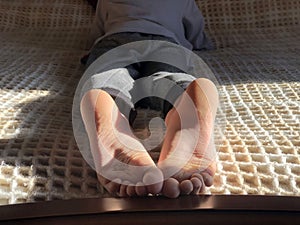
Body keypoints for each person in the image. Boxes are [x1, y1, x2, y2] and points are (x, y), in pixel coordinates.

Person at [79, 0, 219, 198]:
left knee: (111, 73)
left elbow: (98, 29)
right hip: (167, 42)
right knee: (165, 78)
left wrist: (92, 47)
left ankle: (104, 98)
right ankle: (185, 97)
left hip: (116, 39)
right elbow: (195, 27)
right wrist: (203, 44)